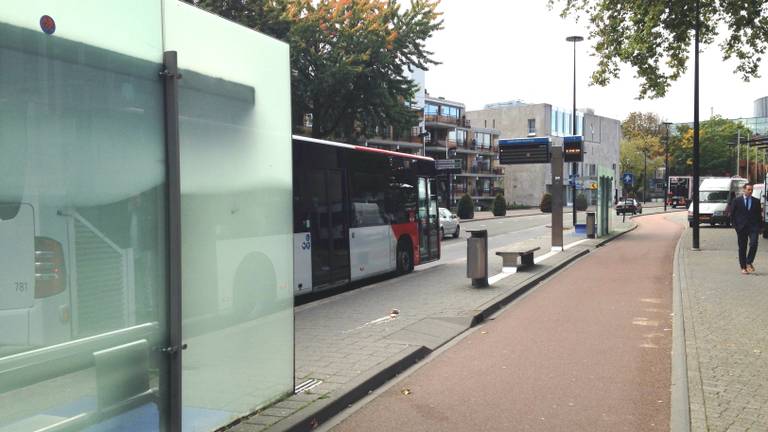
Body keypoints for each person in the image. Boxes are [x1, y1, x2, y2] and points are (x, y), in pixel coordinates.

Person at [729, 183, 763, 274]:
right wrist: (736, 227)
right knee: (742, 248)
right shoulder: (737, 201)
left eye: (751, 190)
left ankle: (749, 262)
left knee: (754, 244)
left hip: (753, 227)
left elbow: (759, 215)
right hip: (741, 228)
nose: (750, 191)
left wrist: (760, 227)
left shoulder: (756, 201)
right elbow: (732, 215)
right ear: (744, 189)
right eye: (748, 189)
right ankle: (743, 267)